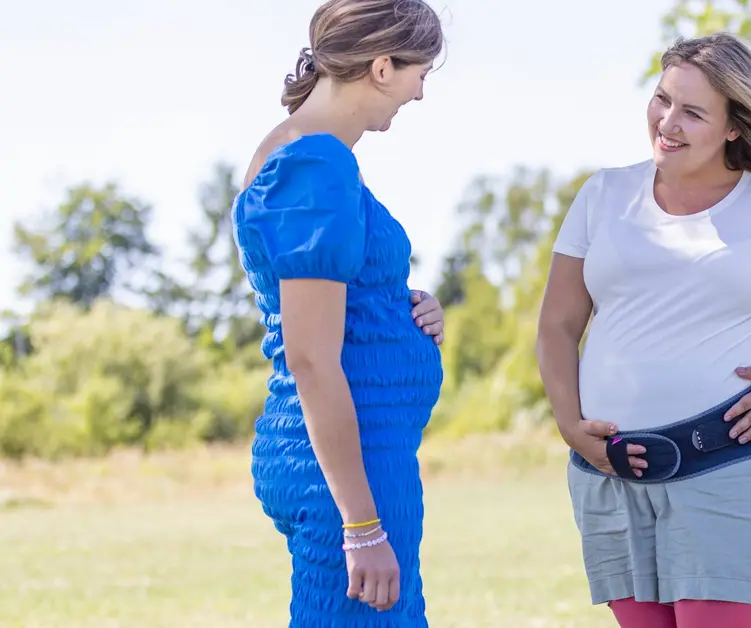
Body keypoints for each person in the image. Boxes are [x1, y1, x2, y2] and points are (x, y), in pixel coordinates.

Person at [536, 33, 751, 628]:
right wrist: (569, 427)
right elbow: (557, 326)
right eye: (662, 100)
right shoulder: (603, 195)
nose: (667, 121)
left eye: (692, 112)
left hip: (733, 466)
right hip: (612, 472)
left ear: (734, 126)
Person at [229, 1, 446, 625]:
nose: (419, 94)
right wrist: (362, 524)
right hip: (353, 465)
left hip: (357, 452)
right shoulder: (316, 164)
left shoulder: (304, 157)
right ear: (382, 66)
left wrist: (408, 306)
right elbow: (310, 355)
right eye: (419, 74)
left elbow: (328, 303)